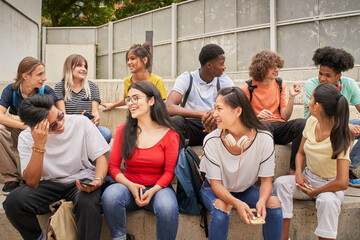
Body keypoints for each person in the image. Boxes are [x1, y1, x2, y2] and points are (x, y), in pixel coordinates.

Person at [3, 94, 110, 240]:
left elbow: (101, 158)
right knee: (13, 202)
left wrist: (97, 180)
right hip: (48, 184)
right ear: (35, 127)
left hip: (80, 179)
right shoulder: (26, 137)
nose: (61, 125)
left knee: (88, 201)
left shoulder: (80, 123)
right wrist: (39, 145)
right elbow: (32, 182)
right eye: (52, 125)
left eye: (60, 117)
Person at [199, 86, 282, 240]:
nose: (214, 114)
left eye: (219, 108)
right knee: (223, 206)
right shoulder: (211, 140)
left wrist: (262, 201)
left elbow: (266, 181)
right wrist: (237, 203)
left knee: (273, 202)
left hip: (245, 189)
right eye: (214, 108)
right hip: (213, 189)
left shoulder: (264, 138)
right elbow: (216, 186)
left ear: (238, 111)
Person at [101, 81, 179, 240]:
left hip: (158, 188)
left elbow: (169, 172)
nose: (131, 103)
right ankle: (119, 237)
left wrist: (152, 190)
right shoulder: (123, 130)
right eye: (129, 99)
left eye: (136, 98)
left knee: (168, 207)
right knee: (110, 196)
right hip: (129, 187)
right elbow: (114, 168)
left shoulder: (170, 135)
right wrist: (130, 185)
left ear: (151, 101)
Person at [274, 83, 353, 240]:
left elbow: (342, 182)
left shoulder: (340, 136)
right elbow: (301, 152)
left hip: (331, 185)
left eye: (310, 98)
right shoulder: (311, 122)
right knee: (281, 183)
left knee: (327, 201)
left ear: (317, 106)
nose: (307, 102)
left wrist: (316, 192)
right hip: (309, 178)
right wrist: (298, 172)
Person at [241, 50, 306, 173]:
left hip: (278, 127)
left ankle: (293, 171)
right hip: (260, 127)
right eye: (272, 67)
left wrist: (292, 97)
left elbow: (284, 117)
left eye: (278, 66)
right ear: (261, 67)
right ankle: (266, 172)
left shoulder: (280, 83)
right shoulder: (247, 87)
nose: (277, 70)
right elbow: (241, 117)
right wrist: (257, 117)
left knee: (302, 123)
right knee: (266, 124)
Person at [304, 46, 360, 184]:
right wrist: (345, 125)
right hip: (315, 126)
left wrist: (346, 125)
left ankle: (348, 168)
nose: (322, 78)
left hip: (340, 127)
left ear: (338, 76)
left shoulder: (350, 84)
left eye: (327, 75)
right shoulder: (312, 84)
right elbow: (317, 115)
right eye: (320, 73)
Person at [0, 56, 55, 195]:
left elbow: (46, 119)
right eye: (40, 74)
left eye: (43, 73)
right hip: (21, 131)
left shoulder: (46, 91)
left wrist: (12, 117)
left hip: (40, 133)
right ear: (25, 76)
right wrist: (25, 125)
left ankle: (32, 176)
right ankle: (11, 179)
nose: (44, 78)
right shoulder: (11, 90)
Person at [166, 43, 234, 146]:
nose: (224, 67)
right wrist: (202, 114)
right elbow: (169, 107)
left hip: (216, 125)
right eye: (221, 63)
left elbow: (237, 106)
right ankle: (179, 159)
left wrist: (216, 113)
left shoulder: (224, 81)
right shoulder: (187, 79)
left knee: (231, 121)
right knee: (176, 121)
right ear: (210, 65)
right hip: (192, 127)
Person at [54, 54, 112, 143]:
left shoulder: (92, 87)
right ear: (69, 68)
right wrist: (80, 121)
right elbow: (63, 116)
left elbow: (95, 112)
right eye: (79, 65)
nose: (84, 69)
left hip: (88, 128)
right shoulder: (60, 87)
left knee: (106, 133)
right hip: (69, 129)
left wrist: (95, 120)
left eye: (85, 67)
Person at [102, 42, 167, 111]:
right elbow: (126, 100)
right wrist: (112, 105)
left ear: (144, 60)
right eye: (128, 59)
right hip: (132, 119)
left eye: (132, 59)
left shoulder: (157, 81)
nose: (129, 62)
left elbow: (161, 104)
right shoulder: (127, 81)